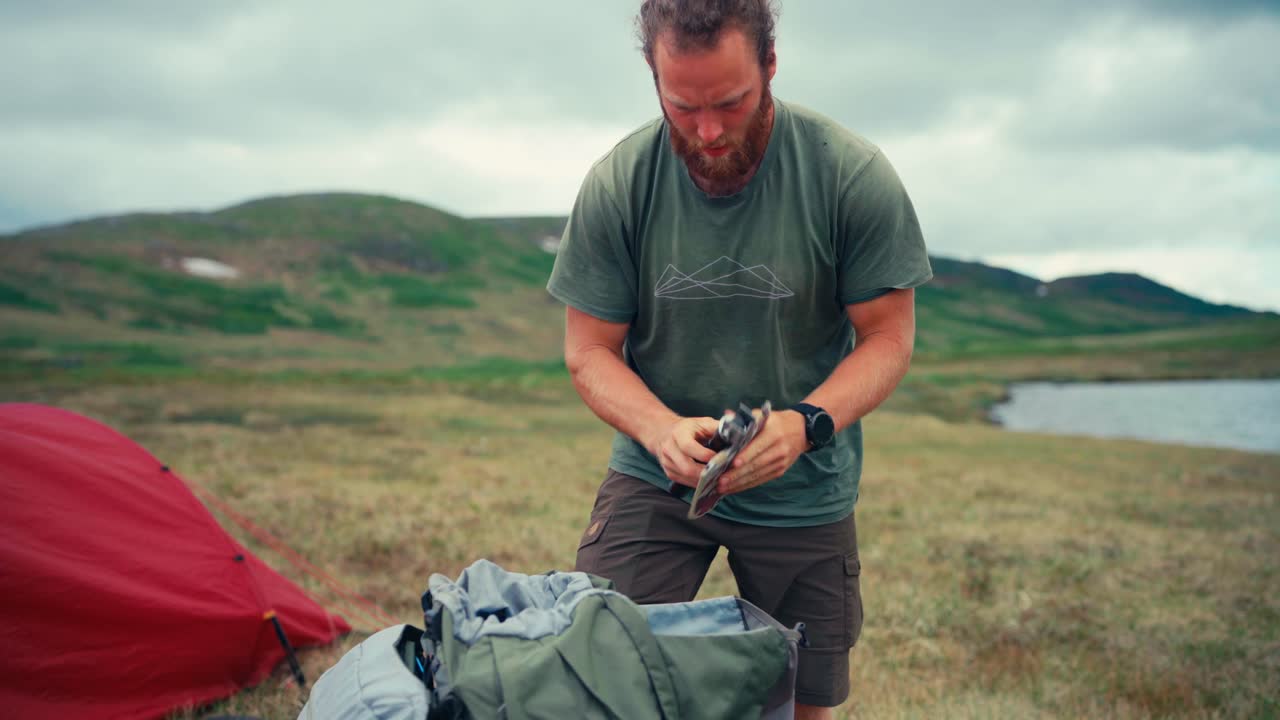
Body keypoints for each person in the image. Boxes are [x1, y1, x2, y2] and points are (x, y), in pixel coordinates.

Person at [546, 1, 931, 716]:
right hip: (656, 478)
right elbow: (588, 351)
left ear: (772, 66)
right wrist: (661, 430)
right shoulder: (618, 184)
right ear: (653, 77)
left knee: (803, 700)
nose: (709, 131)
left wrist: (807, 424)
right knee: (596, 673)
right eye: (683, 107)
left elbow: (889, 338)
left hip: (805, 485)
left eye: (731, 102)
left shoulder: (850, 175)